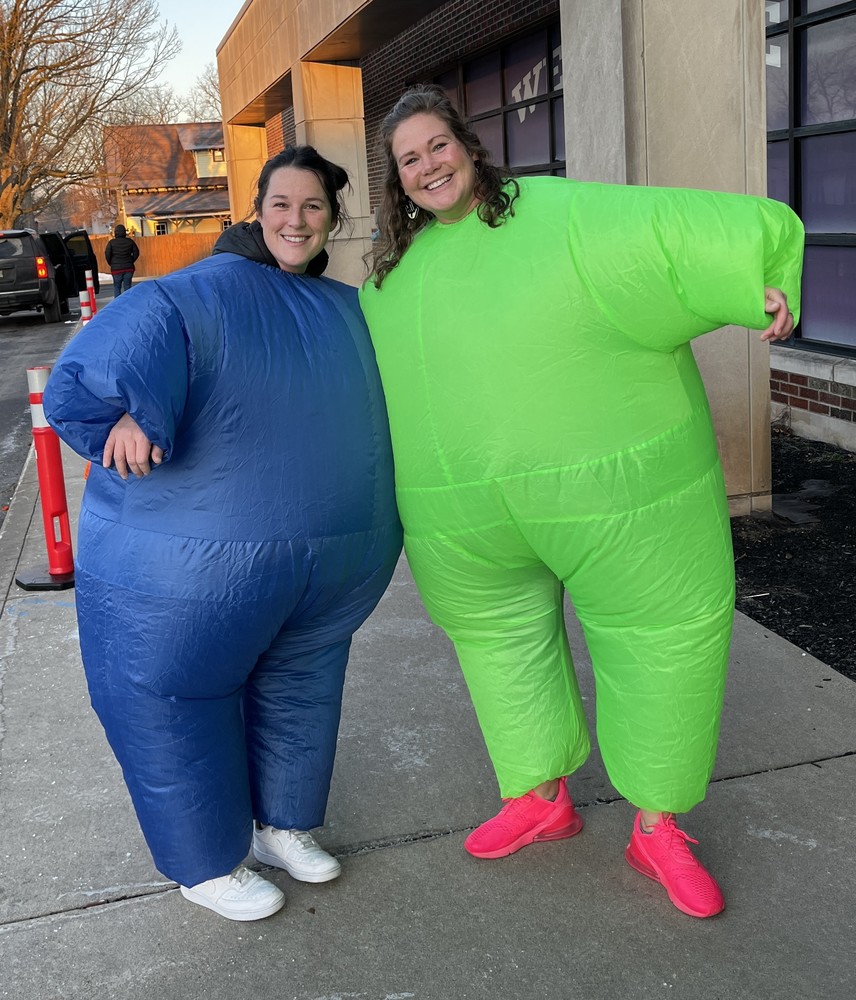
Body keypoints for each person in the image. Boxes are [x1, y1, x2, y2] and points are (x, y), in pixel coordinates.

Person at [359, 85, 803, 919]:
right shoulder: (392, 281)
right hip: (469, 521)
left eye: (436, 146)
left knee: (662, 636)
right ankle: (539, 797)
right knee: (499, 647)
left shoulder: (559, 215)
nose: (427, 166)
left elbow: (668, 238)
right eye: (408, 160)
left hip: (620, 498)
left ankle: (659, 823)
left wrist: (756, 279)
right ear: (396, 181)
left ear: (468, 142)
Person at [44, 145, 402, 922]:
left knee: (303, 689)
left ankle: (284, 825)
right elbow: (88, 377)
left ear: (331, 220)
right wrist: (127, 415)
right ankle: (204, 862)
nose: (296, 220)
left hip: (325, 573)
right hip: (190, 569)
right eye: (282, 204)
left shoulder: (350, 309)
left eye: (313, 207)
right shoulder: (192, 294)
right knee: (174, 693)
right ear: (256, 209)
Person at [104, 223, 140, 296]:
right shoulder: (130, 241)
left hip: (116, 269)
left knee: (117, 287)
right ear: (124, 232)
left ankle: (118, 304)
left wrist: (111, 263)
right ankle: (128, 303)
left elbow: (107, 254)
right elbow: (136, 252)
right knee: (127, 286)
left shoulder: (111, 243)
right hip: (128, 267)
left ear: (115, 233)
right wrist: (131, 261)